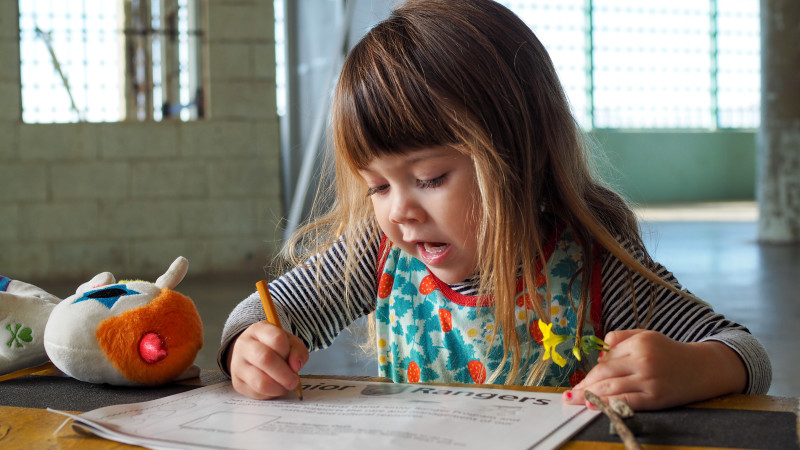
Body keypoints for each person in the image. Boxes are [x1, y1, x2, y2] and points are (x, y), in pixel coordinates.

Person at [219, 0, 771, 410]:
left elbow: (745, 353)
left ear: (520, 156)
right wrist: (248, 347)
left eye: (429, 177)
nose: (399, 212)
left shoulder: (589, 267)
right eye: (377, 187)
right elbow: (263, 312)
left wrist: (691, 368)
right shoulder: (379, 250)